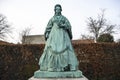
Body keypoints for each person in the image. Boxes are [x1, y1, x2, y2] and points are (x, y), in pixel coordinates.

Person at [39, 4, 79, 72]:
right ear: (54, 10)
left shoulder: (64, 18)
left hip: (63, 37)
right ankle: (51, 67)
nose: (58, 10)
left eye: (59, 9)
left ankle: (65, 67)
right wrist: (47, 33)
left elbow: (69, 26)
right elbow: (48, 27)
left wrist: (63, 25)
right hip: (53, 36)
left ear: (61, 10)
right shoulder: (52, 19)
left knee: (67, 49)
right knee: (51, 50)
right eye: (56, 9)